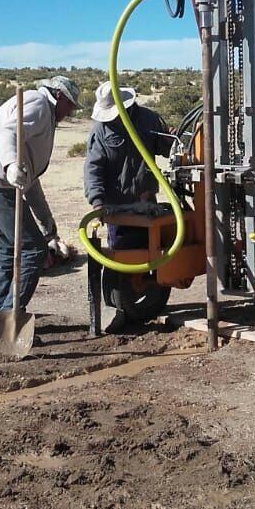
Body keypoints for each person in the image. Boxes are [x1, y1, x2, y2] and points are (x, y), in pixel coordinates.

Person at [0, 75, 80, 338]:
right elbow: (8, 132)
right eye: (70, 105)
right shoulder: (39, 103)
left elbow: (30, 181)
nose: (70, 112)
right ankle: (8, 323)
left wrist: (46, 222)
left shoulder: (40, 109)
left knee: (9, 251)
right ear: (60, 96)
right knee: (33, 250)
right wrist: (10, 165)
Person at [84, 81, 173, 329]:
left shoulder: (148, 120)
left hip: (145, 202)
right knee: (121, 252)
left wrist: (176, 142)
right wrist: (97, 201)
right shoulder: (101, 131)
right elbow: (93, 168)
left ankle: (145, 302)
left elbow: (167, 148)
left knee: (152, 252)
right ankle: (121, 307)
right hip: (118, 208)